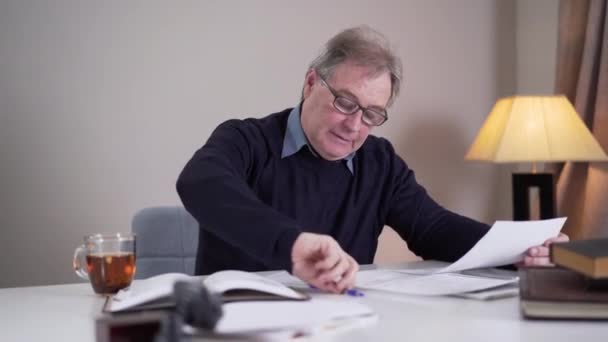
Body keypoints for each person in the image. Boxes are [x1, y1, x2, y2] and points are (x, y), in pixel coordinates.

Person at [176, 26, 568, 294]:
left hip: (342, 321)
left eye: (372, 114)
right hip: (237, 326)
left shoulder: (377, 161)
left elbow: (433, 228)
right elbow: (199, 182)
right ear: (311, 82)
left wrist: (521, 250)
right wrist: (293, 245)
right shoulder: (247, 139)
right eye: (345, 102)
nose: (354, 126)